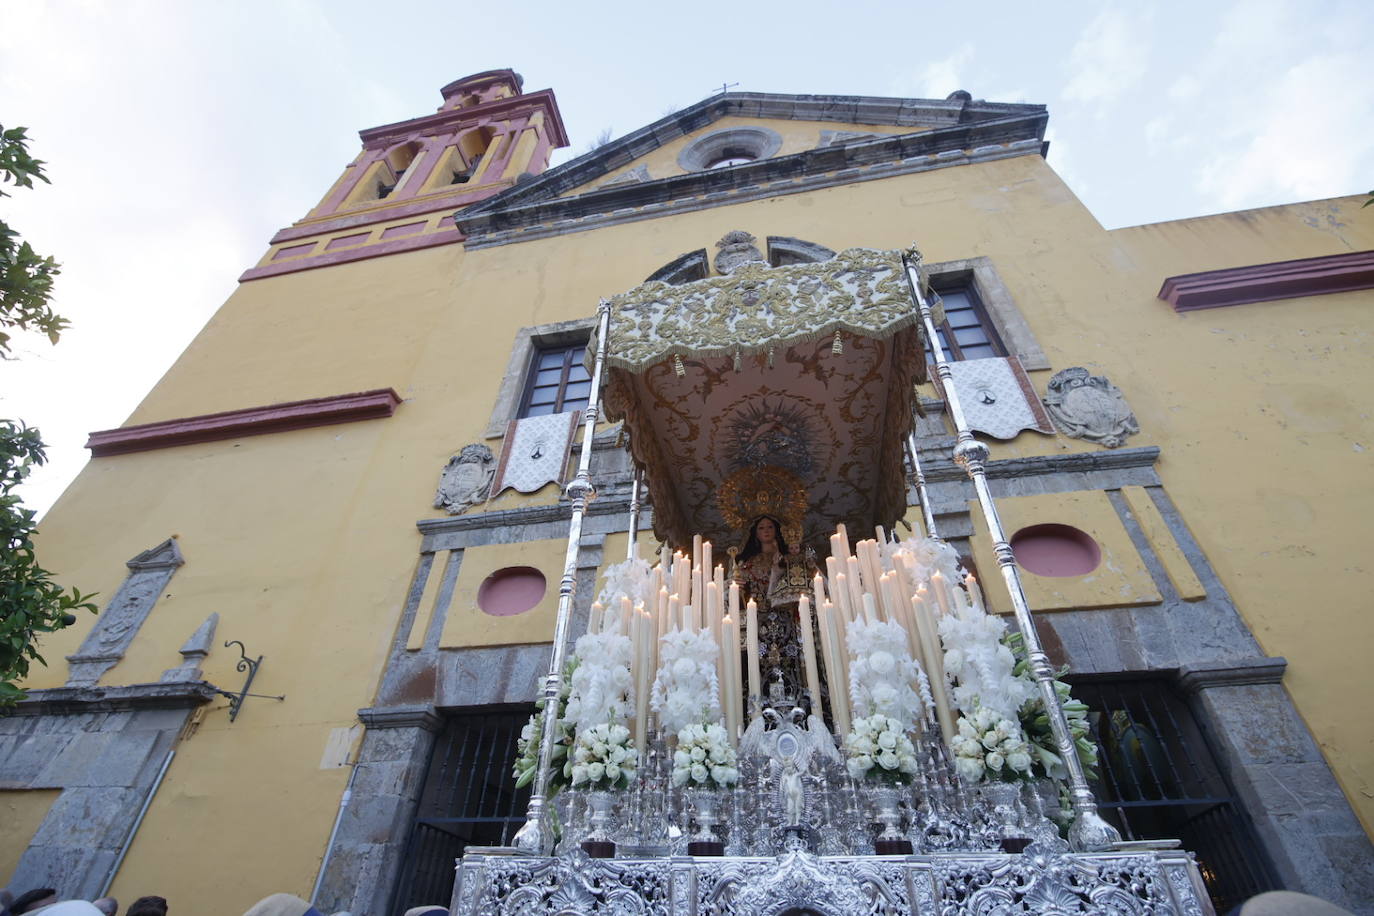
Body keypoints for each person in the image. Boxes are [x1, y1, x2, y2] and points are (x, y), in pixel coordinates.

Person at [732, 515, 823, 711]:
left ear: (778, 531)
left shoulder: (790, 558)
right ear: (755, 534)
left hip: (788, 621)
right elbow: (735, 588)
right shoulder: (749, 563)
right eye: (761, 527)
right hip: (760, 623)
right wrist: (736, 587)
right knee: (761, 667)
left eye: (770, 527)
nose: (766, 530)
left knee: (793, 663)